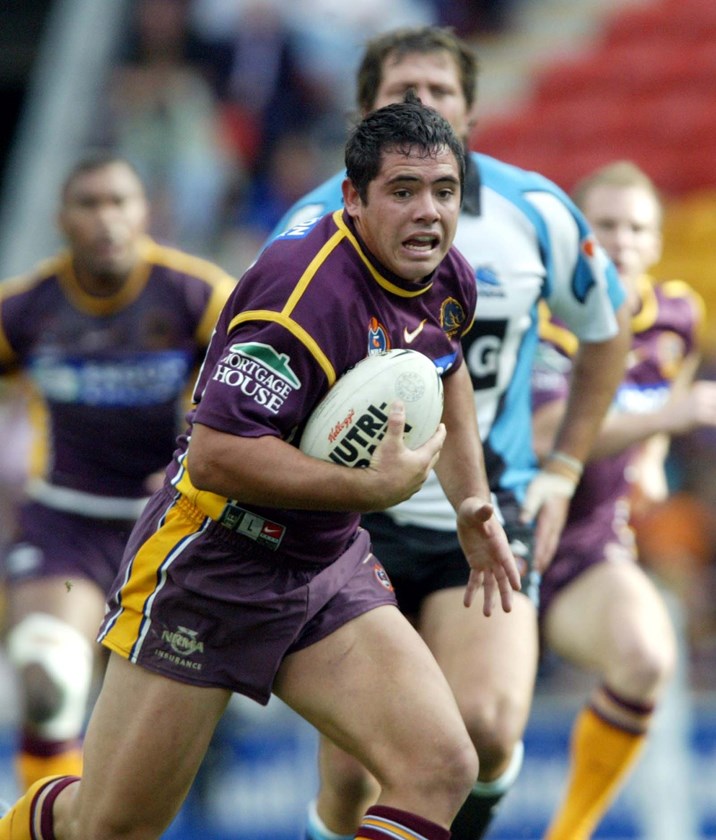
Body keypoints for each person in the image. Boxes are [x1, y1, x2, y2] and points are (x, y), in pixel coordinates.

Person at [0, 94, 523, 840]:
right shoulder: (300, 296)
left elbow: (446, 364)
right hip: (215, 562)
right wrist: (366, 488)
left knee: (440, 767)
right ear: (354, 198)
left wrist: (473, 504)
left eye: (443, 192)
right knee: (110, 826)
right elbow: (217, 457)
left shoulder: (445, 275)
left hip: (322, 563)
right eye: (402, 192)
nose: (428, 213)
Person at [266, 25, 631, 840]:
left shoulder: (535, 211)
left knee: (489, 730)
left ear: (469, 110)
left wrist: (564, 468)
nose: (422, 103)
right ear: (367, 110)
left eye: (439, 90)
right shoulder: (311, 226)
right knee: (356, 775)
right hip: (354, 523)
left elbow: (606, 333)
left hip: (484, 505)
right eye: (403, 90)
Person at [0, 151, 237, 793]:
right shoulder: (24, 310)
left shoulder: (198, 295)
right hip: (65, 526)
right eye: (90, 203)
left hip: (171, 530)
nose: (107, 218)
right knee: (47, 682)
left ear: (145, 212)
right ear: (62, 219)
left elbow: (258, 396)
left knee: (138, 741)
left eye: (120, 202)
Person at [532, 160, 716, 840]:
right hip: (496, 549)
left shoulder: (676, 314)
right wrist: (667, 420)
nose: (621, 240)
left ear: (658, 241)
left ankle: (569, 832)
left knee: (647, 656)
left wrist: (654, 461)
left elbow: (672, 382)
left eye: (638, 227)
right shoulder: (546, 319)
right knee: (468, 744)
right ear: (577, 237)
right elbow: (552, 431)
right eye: (604, 225)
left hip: (587, 547)